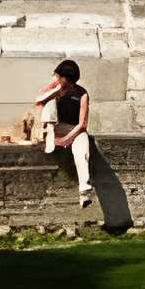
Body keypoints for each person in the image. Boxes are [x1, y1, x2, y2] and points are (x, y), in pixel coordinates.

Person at [24, 58, 95, 205]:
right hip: (55, 126)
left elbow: (82, 124)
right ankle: (48, 137)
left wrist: (66, 139)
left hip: (74, 130)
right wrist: (55, 88)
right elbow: (38, 102)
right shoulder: (53, 88)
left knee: (82, 153)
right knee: (49, 104)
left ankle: (85, 192)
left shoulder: (82, 94)